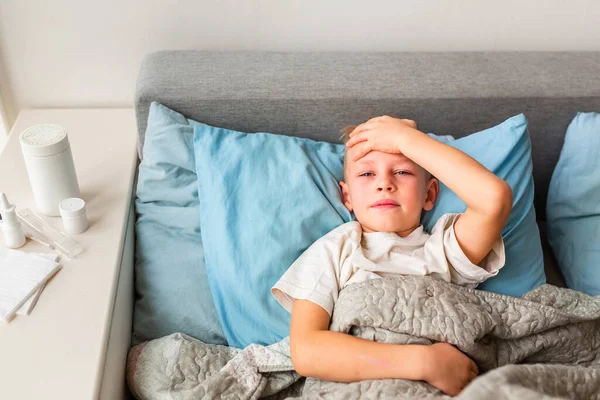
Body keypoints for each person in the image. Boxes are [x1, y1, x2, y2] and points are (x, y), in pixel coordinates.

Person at [271, 116, 513, 396]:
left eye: (402, 172)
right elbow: (307, 351)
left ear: (430, 194)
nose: (384, 183)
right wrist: (424, 362)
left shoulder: (443, 249)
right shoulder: (335, 249)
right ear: (347, 197)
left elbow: (494, 199)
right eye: (366, 174)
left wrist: (407, 141)